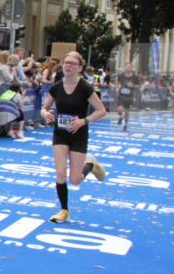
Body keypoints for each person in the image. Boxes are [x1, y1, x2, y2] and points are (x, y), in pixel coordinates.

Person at [40, 51, 108, 223]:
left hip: (79, 135)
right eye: (66, 62)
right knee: (60, 172)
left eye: (72, 63)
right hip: (60, 134)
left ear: (79, 68)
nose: (68, 66)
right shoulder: (56, 87)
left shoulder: (85, 87)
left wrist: (84, 121)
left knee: (75, 180)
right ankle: (64, 210)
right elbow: (44, 108)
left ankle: (90, 165)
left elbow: (101, 111)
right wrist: (45, 113)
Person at [115, 62, 139, 132]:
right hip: (121, 95)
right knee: (119, 109)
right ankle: (120, 117)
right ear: (125, 68)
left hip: (129, 96)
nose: (128, 68)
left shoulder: (135, 77)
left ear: (131, 68)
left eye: (129, 67)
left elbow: (138, 85)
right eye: (127, 67)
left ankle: (125, 125)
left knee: (126, 112)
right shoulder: (121, 75)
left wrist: (133, 85)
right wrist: (117, 87)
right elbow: (117, 82)